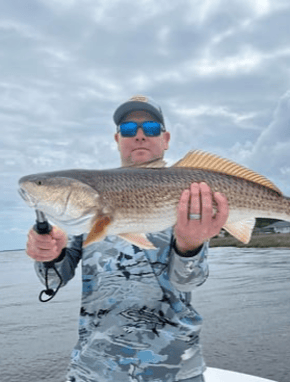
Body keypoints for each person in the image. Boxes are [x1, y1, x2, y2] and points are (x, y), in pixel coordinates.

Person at [26, 95, 229, 382]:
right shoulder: (81, 215)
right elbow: (53, 280)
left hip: (173, 369)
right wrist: (49, 254)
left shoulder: (190, 194)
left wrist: (188, 246)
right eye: (130, 130)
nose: (141, 136)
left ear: (166, 138)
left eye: (151, 128)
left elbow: (189, 281)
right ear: (117, 138)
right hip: (94, 370)